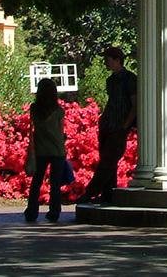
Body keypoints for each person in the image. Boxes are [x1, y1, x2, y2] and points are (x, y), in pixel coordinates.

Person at [78, 46, 135, 203]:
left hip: (119, 127)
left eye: (107, 59)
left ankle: (90, 193)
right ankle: (107, 195)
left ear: (117, 60)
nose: (105, 63)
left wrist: (125, 126)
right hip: (107, 125)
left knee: (108, 162)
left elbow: (134, 104)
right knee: (109, 162)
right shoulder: (110, 81)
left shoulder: (130, 79)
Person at [24, 77, 68, 222]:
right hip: (57, 150)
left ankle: (32, 212)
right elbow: (60, 131)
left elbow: (33, 128)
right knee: (55, 184)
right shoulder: (59, 111)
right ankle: (54, 212)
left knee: (36, 182)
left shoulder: (34, 109)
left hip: (40, 150)